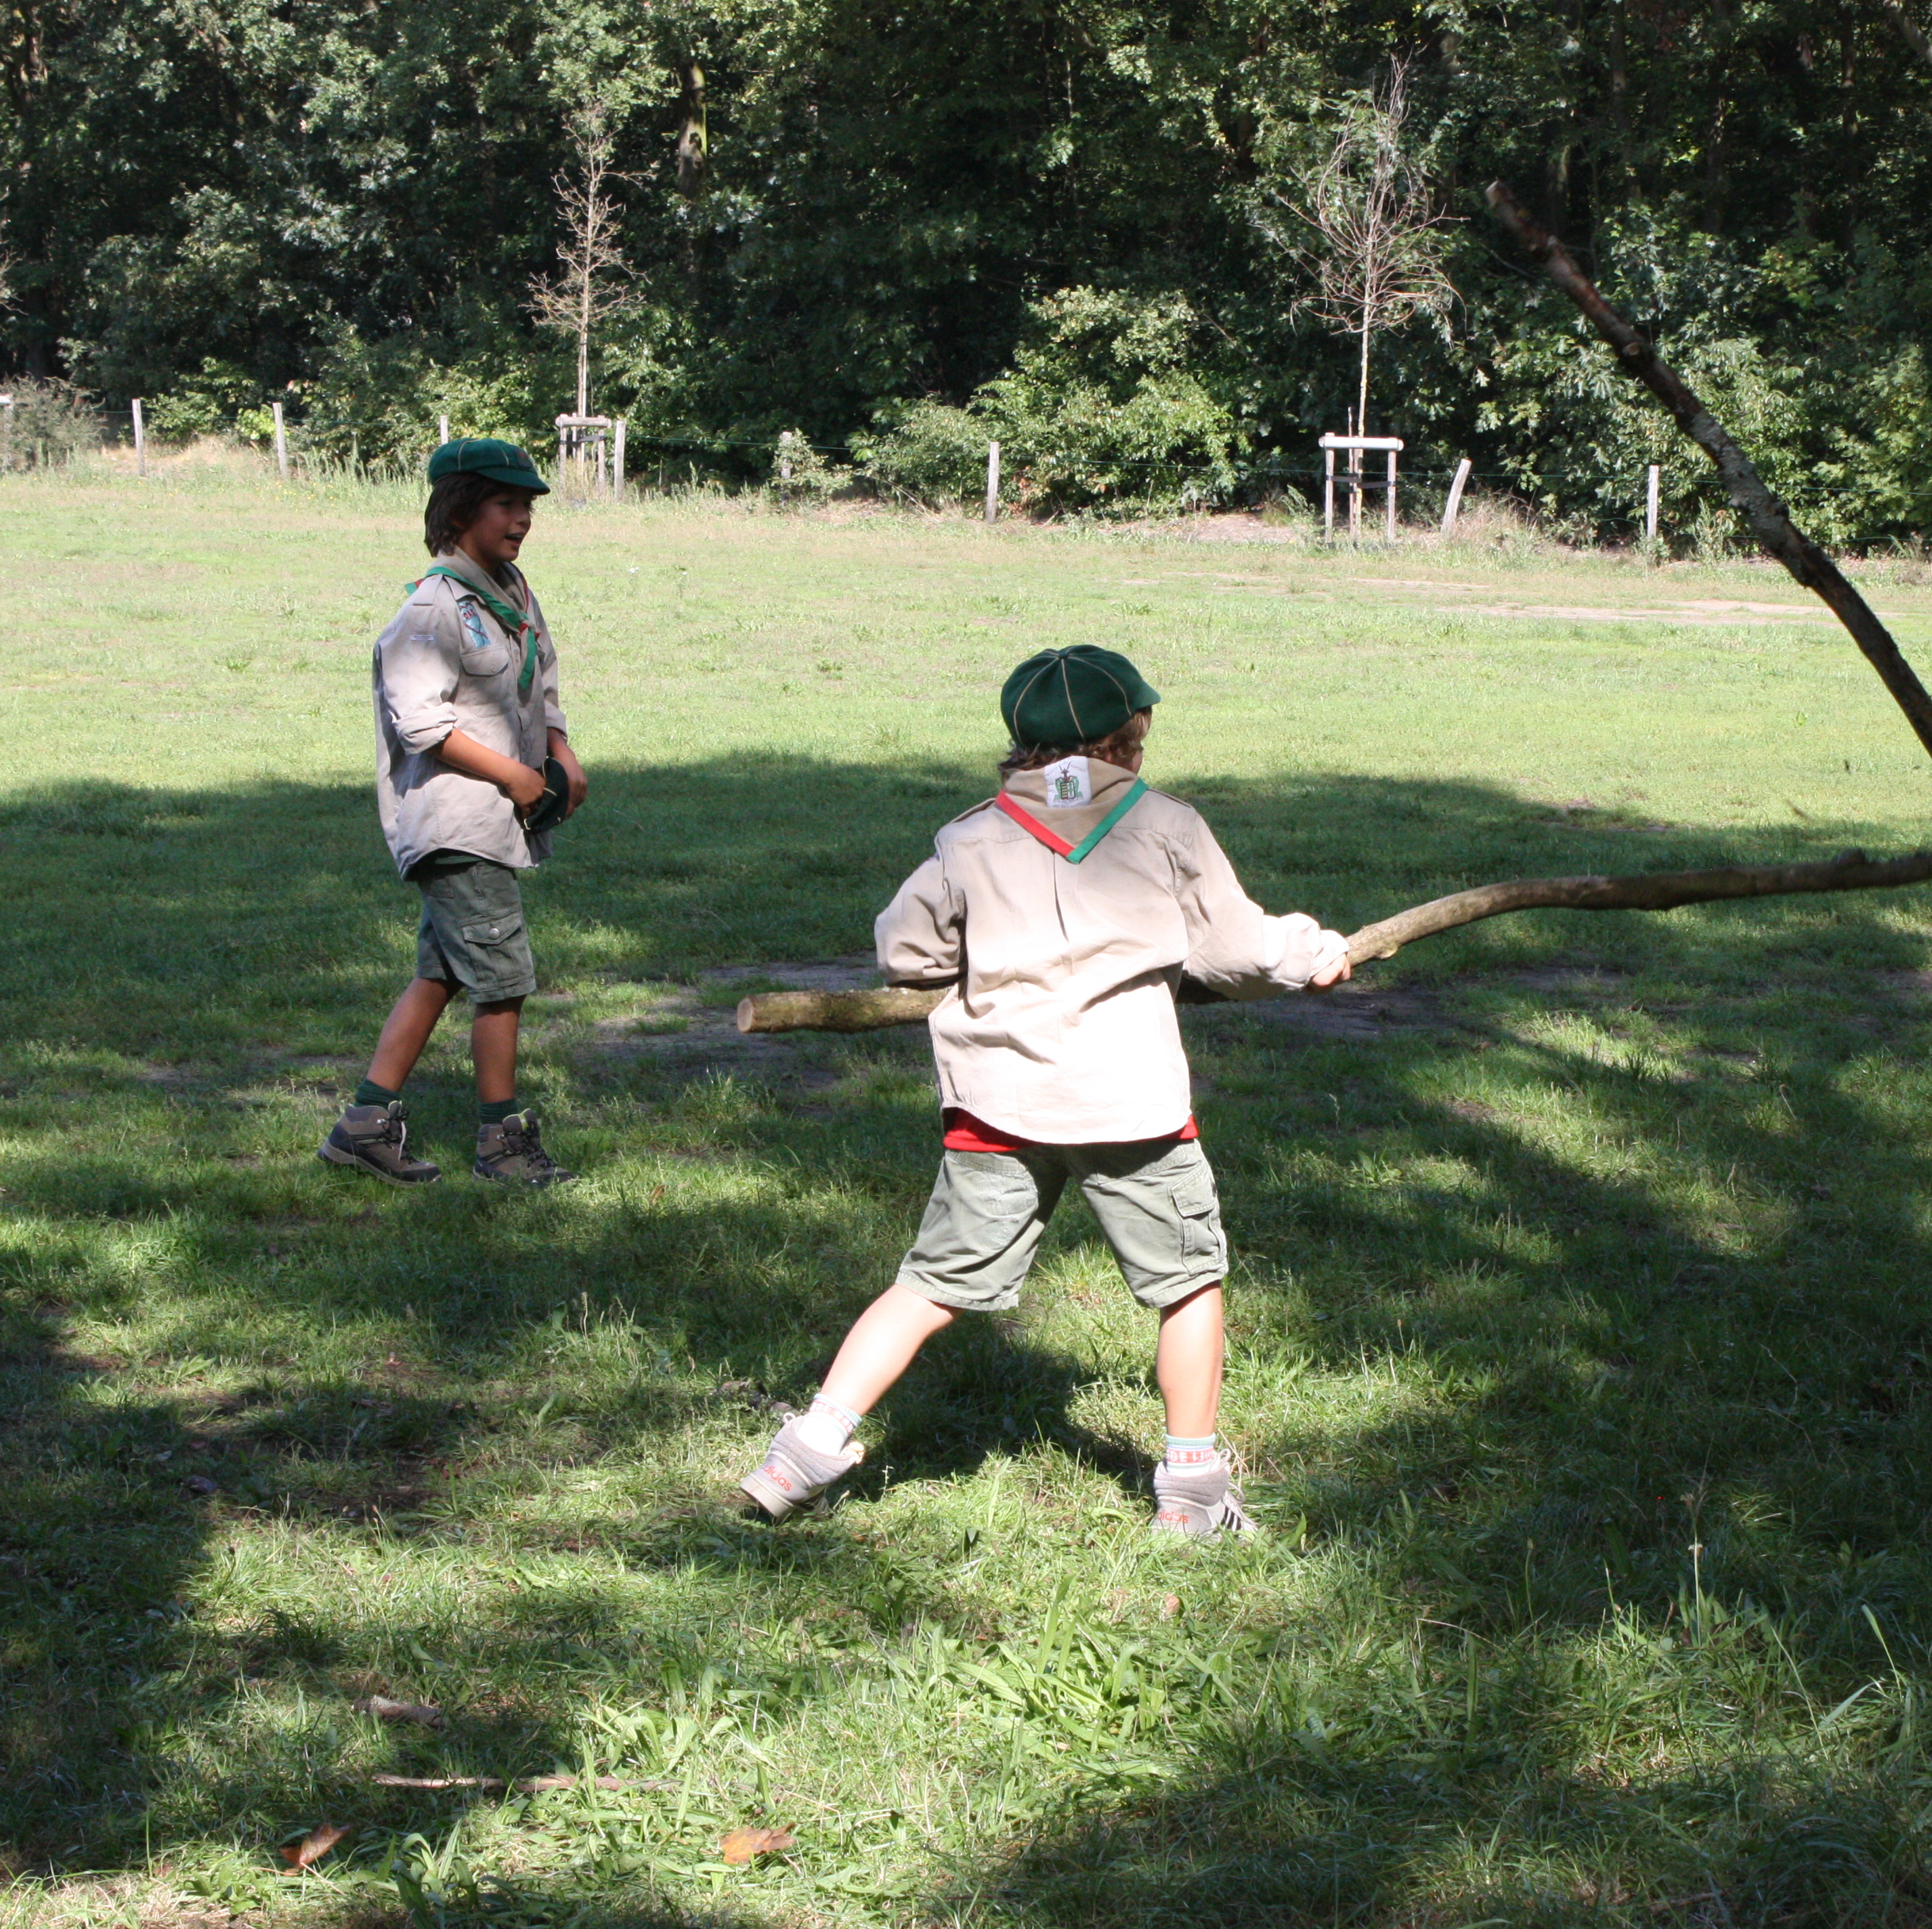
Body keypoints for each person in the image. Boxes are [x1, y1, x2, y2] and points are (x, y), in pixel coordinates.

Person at [737, 645, 1352, 1534]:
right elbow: (1236, 953)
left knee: (931, 1283)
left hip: (999, 1106)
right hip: (1130, 1109)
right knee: (1189, 1282)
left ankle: (801, 1456)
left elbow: (906, 954)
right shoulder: (1168, 827)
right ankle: (1192, 1495)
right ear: (1127, 742)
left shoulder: (969, 836)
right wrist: (1309, 953)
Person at [320, 438, 586, 1188]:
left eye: (528, 505)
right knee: (503, 981)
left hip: (495, 822)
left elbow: (543, 680)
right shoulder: (431, 611)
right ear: (461, 508)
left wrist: (561, 757)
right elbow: (422, 724)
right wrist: (515, 776)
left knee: (440, 973)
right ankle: (501, 1144)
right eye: (506, 504)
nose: (522, 519)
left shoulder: (511, 593)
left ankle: (362, 1128)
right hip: (455, 825)